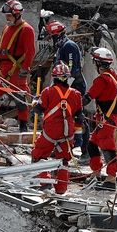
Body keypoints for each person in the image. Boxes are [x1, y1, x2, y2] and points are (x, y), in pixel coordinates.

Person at [31, 62, 83, 193]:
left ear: (54, 78)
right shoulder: (76, 94)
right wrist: (77, 137)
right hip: (67, 133)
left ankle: (45, 183)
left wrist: (35, 101)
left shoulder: (48, 92)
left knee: (39, 155)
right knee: (64, 160)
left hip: (51, 132)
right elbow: (79, 116)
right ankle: (61, 189)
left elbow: (38, 109)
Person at [0, 0, 36, 132]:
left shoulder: (27, 30)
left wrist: (25, 69)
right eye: (6, 15)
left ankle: (23, 127)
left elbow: (30, 52)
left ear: (17, 14)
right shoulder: (7, 28)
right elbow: (0, 47)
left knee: (20, 99)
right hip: (2, 69)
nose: (7, 18)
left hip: (16, 70)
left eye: (9, 15)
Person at [83, 47, 117, 189]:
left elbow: (88, 98)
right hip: (112, 117)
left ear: (98, 64)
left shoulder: (102, 80)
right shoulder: (115, 77)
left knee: (107, 146)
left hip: (107, 118)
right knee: (92, 143)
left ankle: (111, 179)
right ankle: (96, 173)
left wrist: (74, 106)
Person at [50, 20, 90, 161]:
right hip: (65, 85)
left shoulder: (69, 46)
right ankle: (64, 148)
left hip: (75, 85)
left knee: (79, 118)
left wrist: (65, 87)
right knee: (63, 117)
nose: (52, 39)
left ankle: (85, 150)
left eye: (53, 36)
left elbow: (72, 69)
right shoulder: (61, 47)